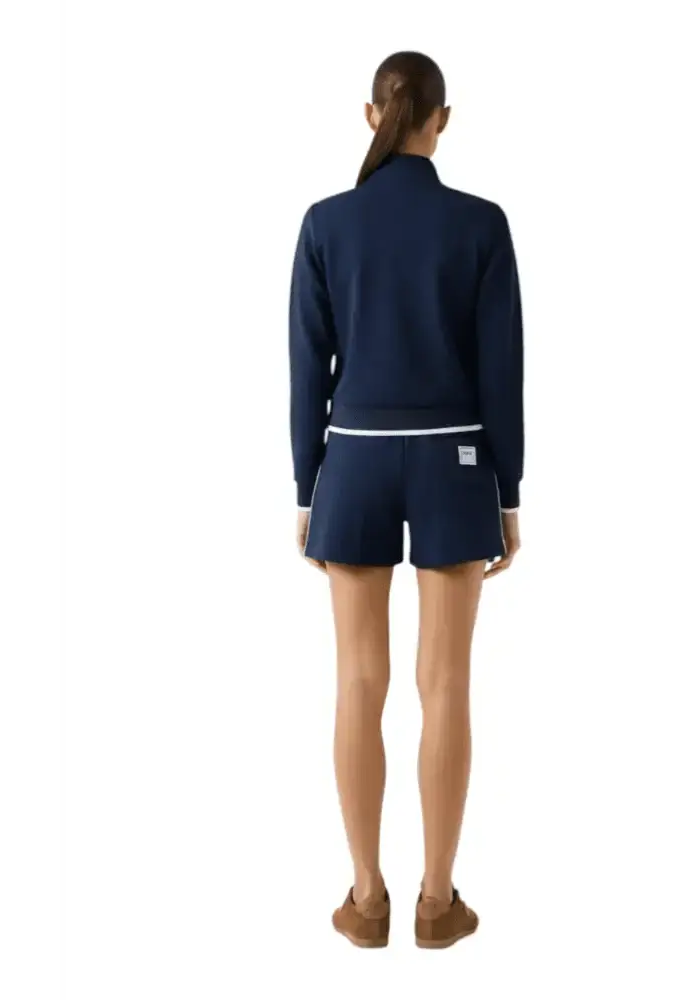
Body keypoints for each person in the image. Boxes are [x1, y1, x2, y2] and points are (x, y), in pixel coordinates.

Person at [288, 50, 524, 950]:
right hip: (454, 463)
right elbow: (502, 372)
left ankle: (365, 898)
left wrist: (307, 485)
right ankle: (437, 901)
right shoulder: (481, 224)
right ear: (443, 120)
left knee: (357, 677)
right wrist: (509, 491)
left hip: (352, 460)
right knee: (446, 681)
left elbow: (307, 366)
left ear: (370, 115)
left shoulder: (326, 223)